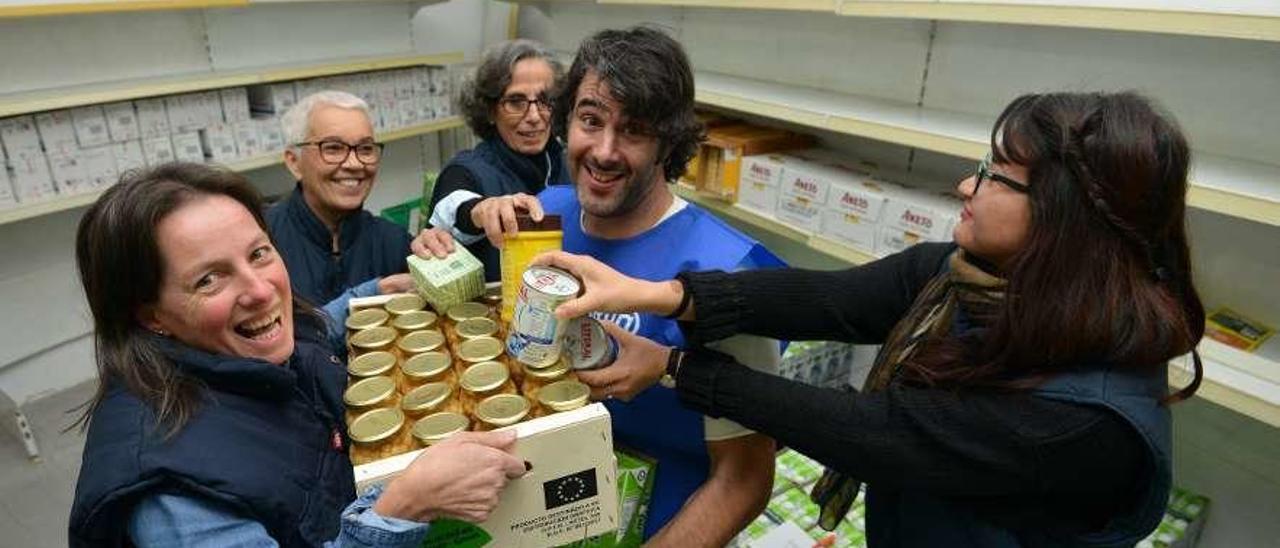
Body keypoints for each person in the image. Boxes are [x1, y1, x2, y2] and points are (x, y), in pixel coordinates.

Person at [537, 91, 1205, 547]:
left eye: (999, 177)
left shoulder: (1084, 420)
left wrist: (674, 366)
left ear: (1071, 219)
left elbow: (880, 433)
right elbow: (836, 300)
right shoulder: (969, 277)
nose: (967, 187)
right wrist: (660, 294)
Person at [420, 26, 787, 546]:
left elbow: (744, 478)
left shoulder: (726, 271)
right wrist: (441, 270)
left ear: (669, 142)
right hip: (542, 507)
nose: (605, 151)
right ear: (566, 120)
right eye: (590, 120)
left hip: (665, 518)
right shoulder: (549, 211)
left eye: (634, 130)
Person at [68, 163, 526, 547]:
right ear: (150, 315)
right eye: (209, 279)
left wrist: (375, 292)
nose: (261, 290)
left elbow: (311, 332)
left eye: (259, 253)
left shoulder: (232, 349)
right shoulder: (170, 494)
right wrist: (403, 508)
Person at [427, 39, 572, 281]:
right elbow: (456, 210)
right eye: (516, 102)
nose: (534, 116)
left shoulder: (569, 164)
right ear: (490, 110)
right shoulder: (466, 171)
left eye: (546, 100)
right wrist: (482, 211)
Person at [268, 90, 427, 309]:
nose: (354, 163)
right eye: (333, 148)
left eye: (365, 149)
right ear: (294, 162)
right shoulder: (263, 243)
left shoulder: (394, 243)